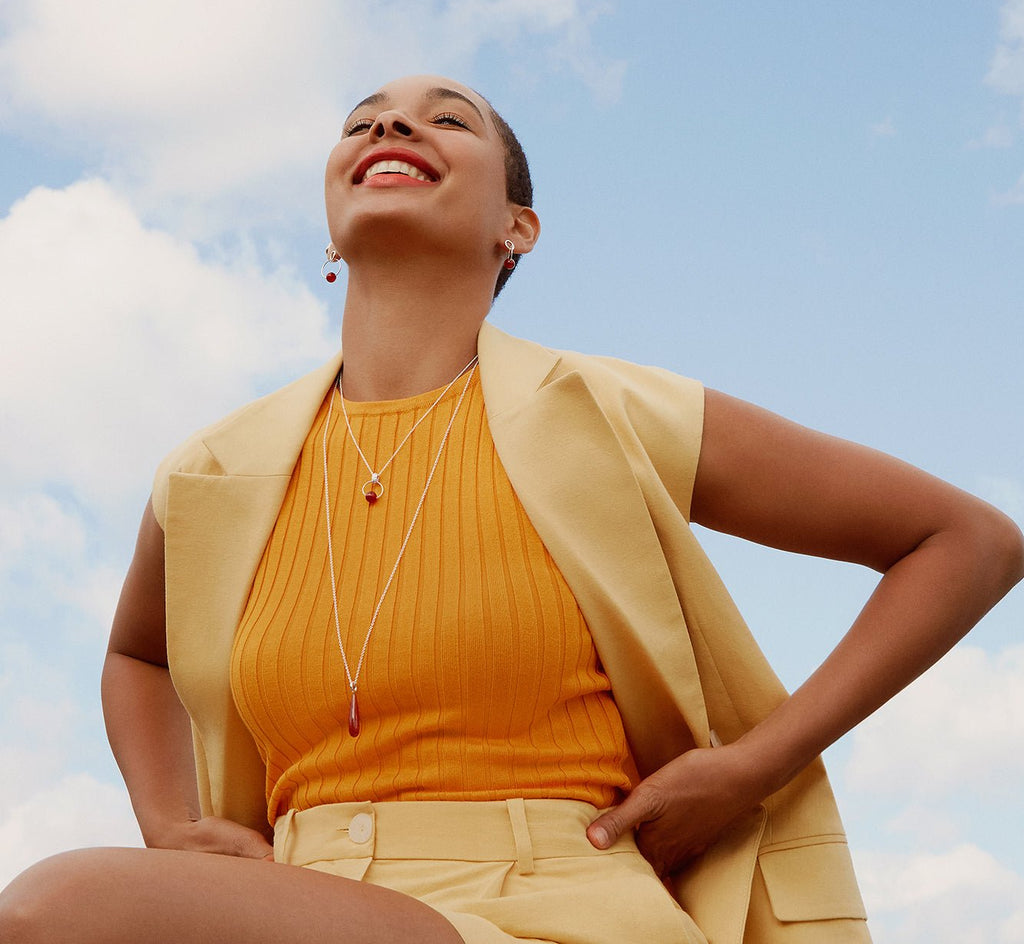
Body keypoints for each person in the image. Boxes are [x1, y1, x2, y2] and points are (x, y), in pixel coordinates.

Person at [1, 74, 1021, 944]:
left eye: (446, 118)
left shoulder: (611, 410)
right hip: (295, 898)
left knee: (59, 908)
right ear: (329, 221)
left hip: (551, 906)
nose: (390, 127)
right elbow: (137, 655)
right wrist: (168, 822)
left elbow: (966, 540)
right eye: (363, 119)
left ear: (515, 228)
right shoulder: (209, 472)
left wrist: (749, 766)